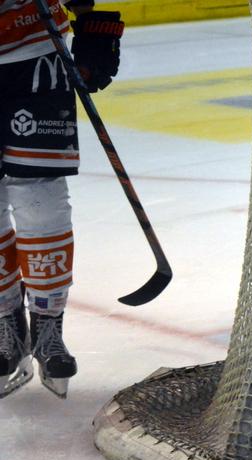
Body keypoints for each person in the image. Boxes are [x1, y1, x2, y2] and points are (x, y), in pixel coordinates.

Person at [0, 0, 124, 397]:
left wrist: (87, 17)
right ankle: (7, 325)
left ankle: (48, 327)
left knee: (40, 198)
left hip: (34, 53)